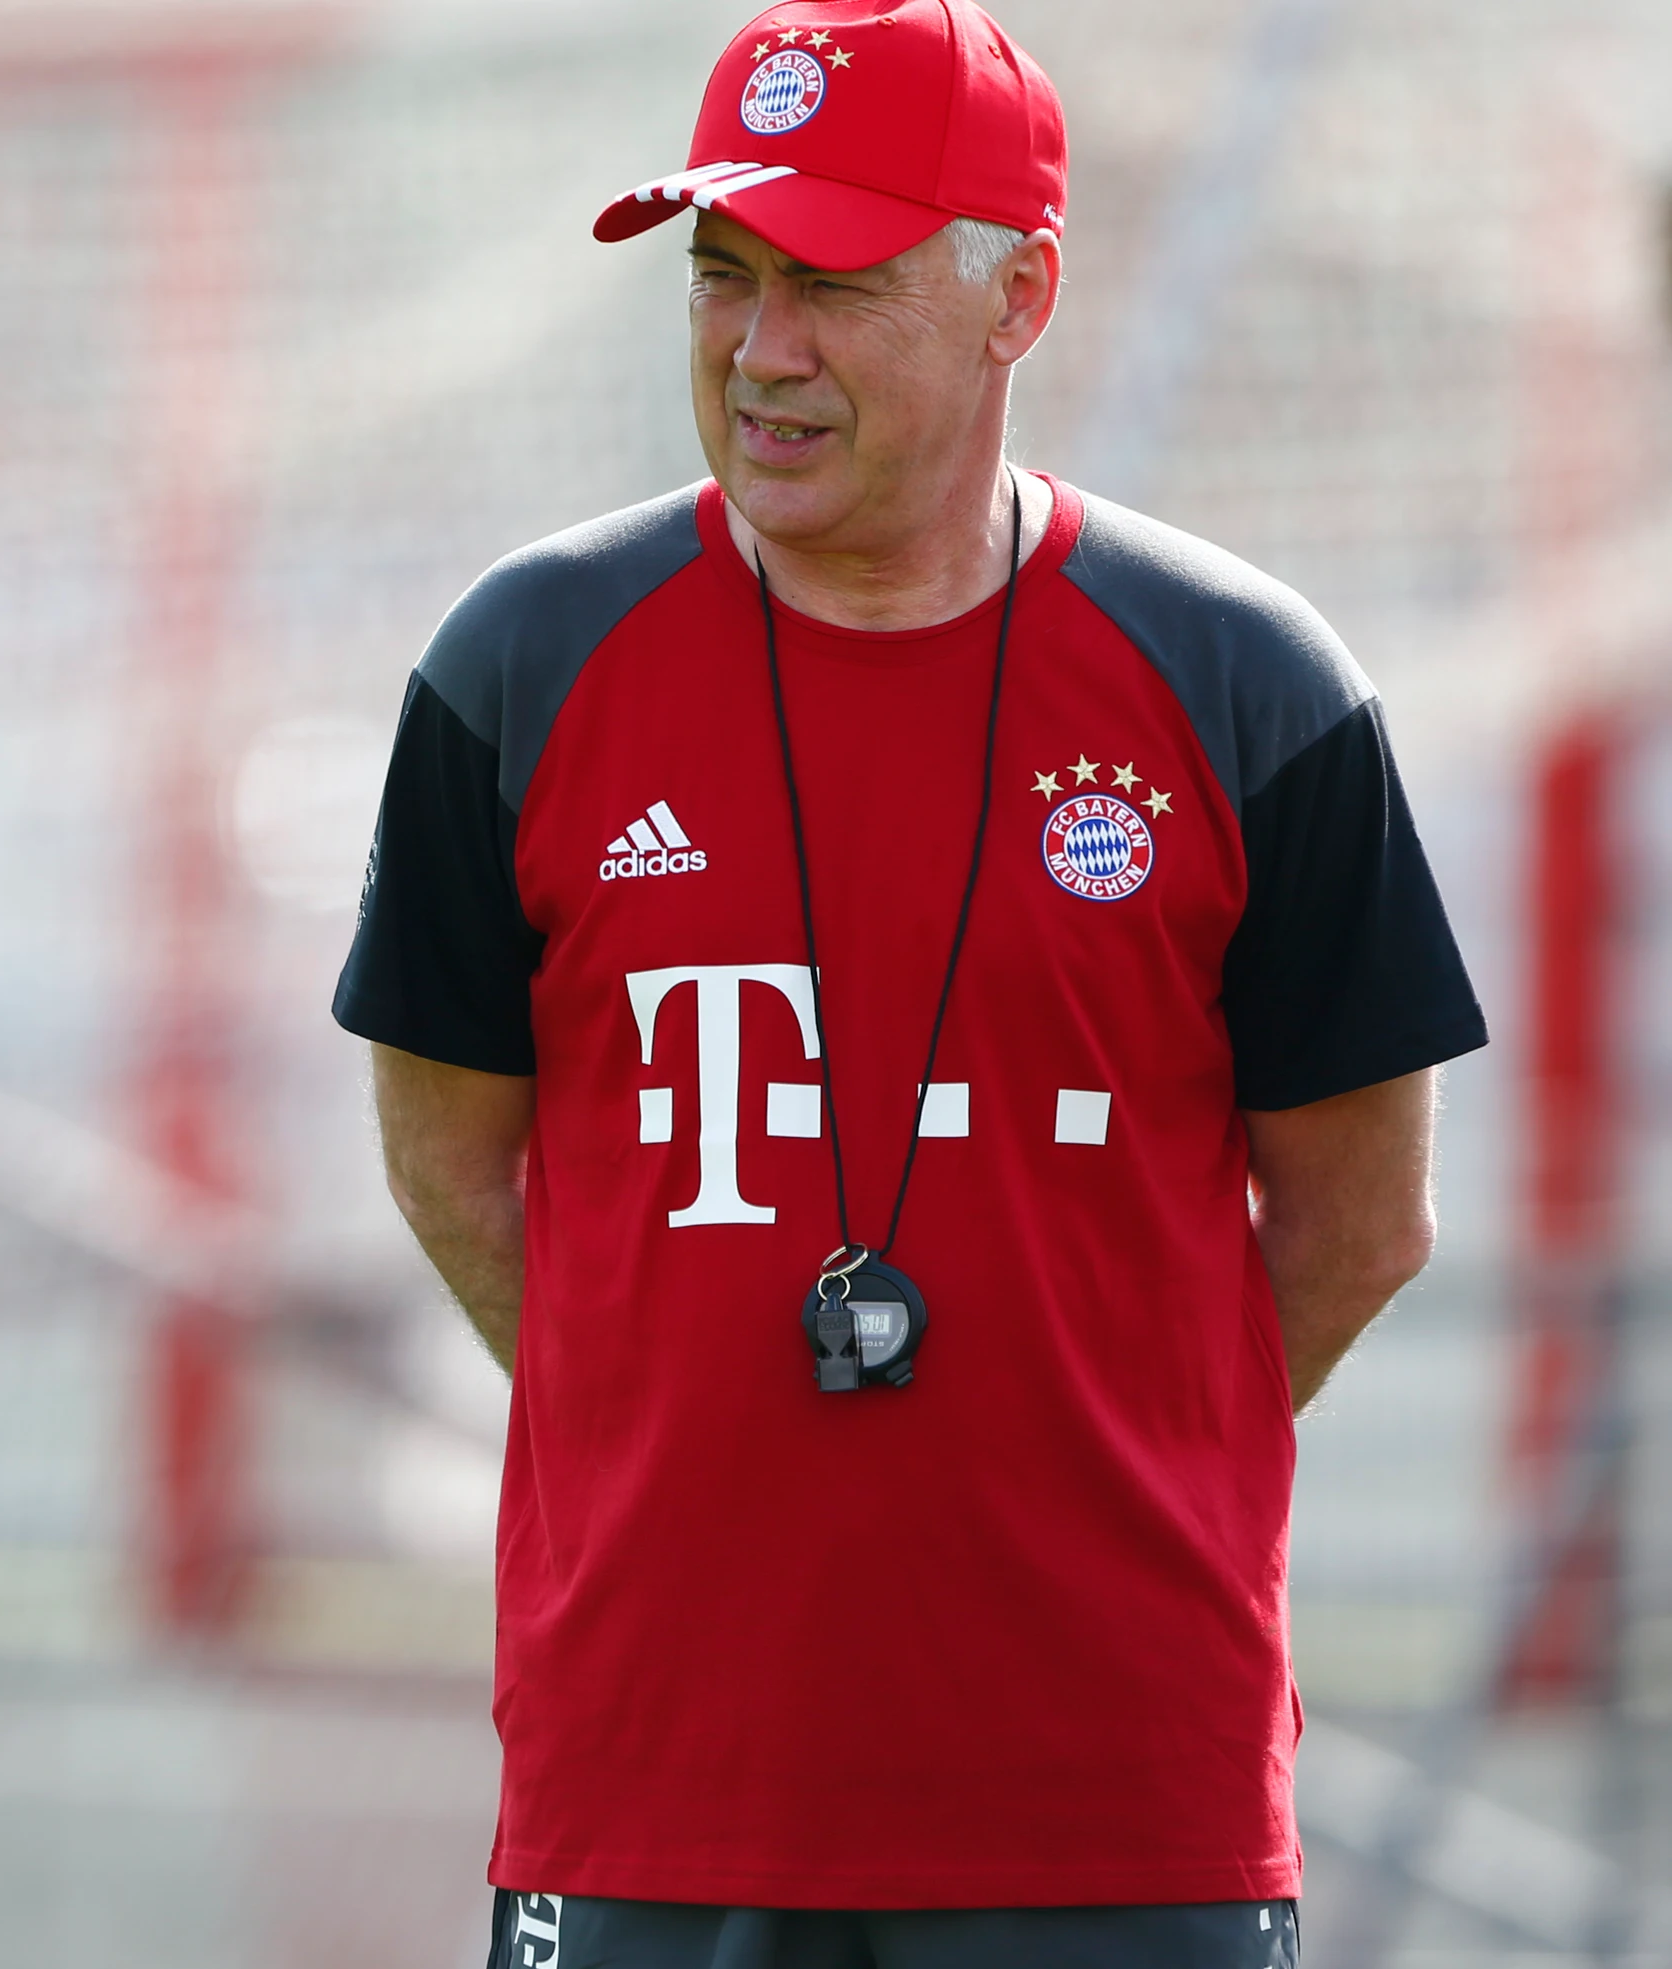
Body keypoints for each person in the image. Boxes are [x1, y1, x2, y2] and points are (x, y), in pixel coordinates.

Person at [330, 2, 1486, 1963]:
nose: (760, 351)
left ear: (1016, 296)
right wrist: (669, 1438)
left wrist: (1086, 1450)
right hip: (651, 1789)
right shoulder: (515, 666)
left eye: (834, 286)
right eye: (721, 277)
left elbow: (1360, 1225)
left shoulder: (1250, 688)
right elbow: (450, 1166)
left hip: (1115, 1807)